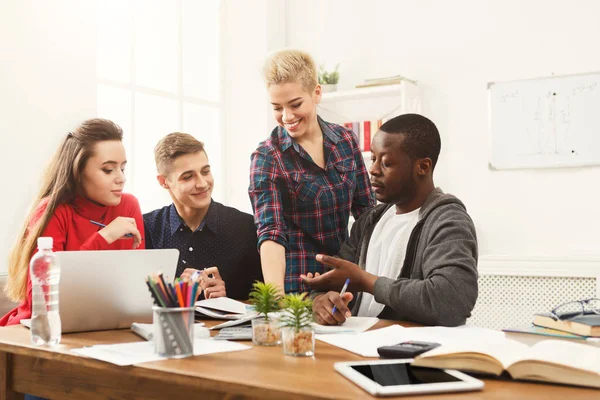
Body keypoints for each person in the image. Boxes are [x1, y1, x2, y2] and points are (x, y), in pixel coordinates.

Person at [302, 114, 478, 327]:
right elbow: (329, 285)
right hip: (357, 345)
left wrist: (367, 282)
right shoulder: (370, 220)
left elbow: (452, 301)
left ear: (423, 167)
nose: (373, 170)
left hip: (410, 354)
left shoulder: (448, 221)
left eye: (386, 163)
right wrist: (320, 301)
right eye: (373, 158)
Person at [249, 49, 375, 294]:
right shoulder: (267, 157)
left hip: (345, 279)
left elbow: (367, 214)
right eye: (277, 107)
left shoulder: (346, 140)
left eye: (295, 104)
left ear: (317, 93)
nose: (287, 116)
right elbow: (271, 233)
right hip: (298, 288)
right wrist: (277, 303)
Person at [1, 118, 144, 326]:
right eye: (108, 169)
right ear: (78, 172)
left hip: (104, 326)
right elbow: (42, 300)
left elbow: (136, 289)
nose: (121, 178)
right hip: (42, 331)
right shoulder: (53, 210)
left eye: (123, 168)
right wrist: (104, 237)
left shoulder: (129, 205)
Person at [144, 133, 263, 300]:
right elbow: (135, 300)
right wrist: (172, 295)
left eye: (205, 171)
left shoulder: (247, 227)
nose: (202, 183)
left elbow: (264, 303)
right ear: (164, 182)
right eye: (188, 177)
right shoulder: (146, 229)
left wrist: (227, 298)